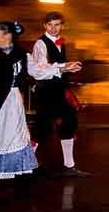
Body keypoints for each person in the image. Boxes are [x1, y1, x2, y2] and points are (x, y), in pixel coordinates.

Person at [28, 11, 90, 177]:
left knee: (69, 121)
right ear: (44, 26)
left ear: (62, 26)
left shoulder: (61, 43)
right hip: (45, 92)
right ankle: (26, 163)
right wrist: (63, 68)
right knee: (43, 129)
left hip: (59, 91)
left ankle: (69, 166)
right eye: (50, 25)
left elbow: (56, 65)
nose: (54, 28)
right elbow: (39, 70)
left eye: (57, 25)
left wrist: (69, 66)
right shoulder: (40, 44)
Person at [0, 21, 38, 179]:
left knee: (11, 134)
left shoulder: (23, 56)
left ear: (8, 36)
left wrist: (60, 68)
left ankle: (6, 168)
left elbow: (38, 71)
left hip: (12, 99)